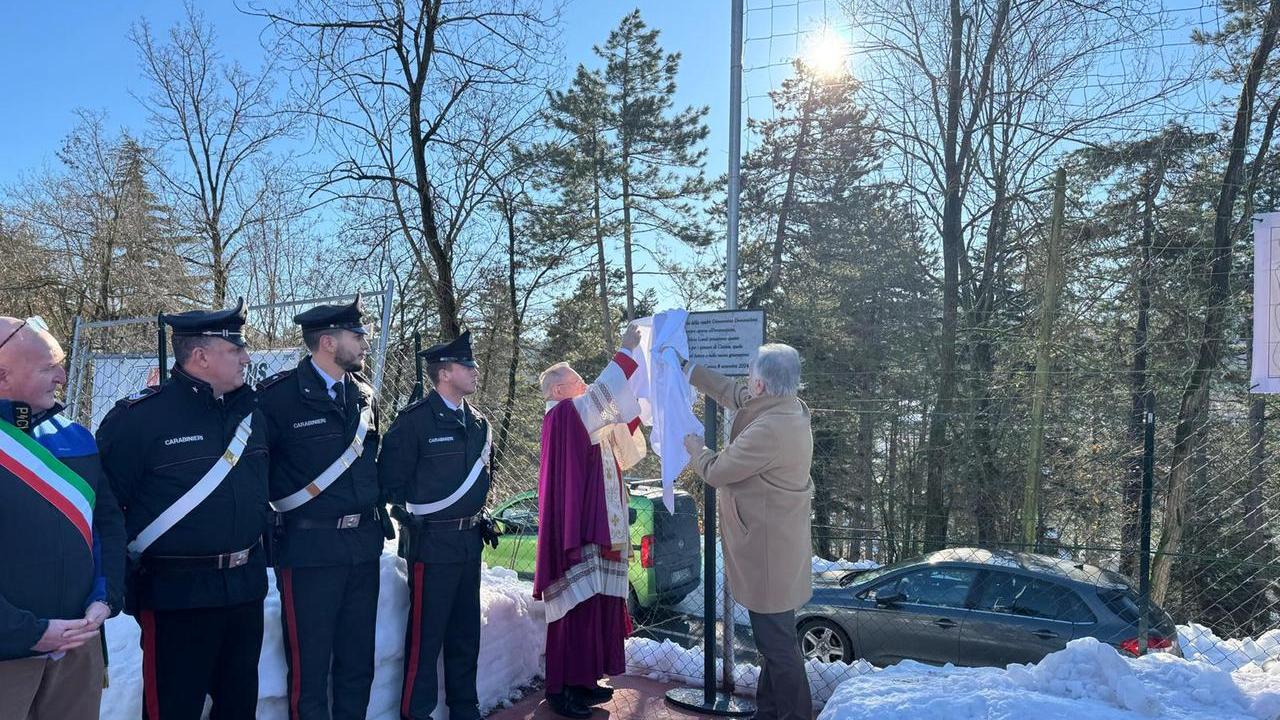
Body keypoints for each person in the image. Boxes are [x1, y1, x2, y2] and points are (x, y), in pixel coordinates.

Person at [97, 299, 270, 720]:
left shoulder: (253, 413)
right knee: (173, 708)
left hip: (244, 592)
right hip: (177, 597)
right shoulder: (139, 420)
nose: (247, 357)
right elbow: (106, 510)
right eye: (236, 349)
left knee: (238, 708)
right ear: (201, 356)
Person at [257, 295, 388, 720]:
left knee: (357, 663)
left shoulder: (364, 395)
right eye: (357, 336)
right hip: (310, 550)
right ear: (328, 343)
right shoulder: (277, 399)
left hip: (362, 548)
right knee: (310, 669)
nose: (365, 344)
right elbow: (259, 474)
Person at [0, 315, 125, 720]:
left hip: (78, 647)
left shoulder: (77, 438)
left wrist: (106, 597)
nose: (62, 375)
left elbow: (105, 524)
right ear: (3, 377)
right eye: (47, 366)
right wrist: (28, 633)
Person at [683, 343, 814, 720]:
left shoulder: (770, 429)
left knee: (779, 648)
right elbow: (732, 393)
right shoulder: (784, 409)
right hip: (778, 550)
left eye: (750, 377)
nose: (746, 384)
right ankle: (770, 712)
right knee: (773, 643)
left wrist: (696, 449)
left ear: (760, 383)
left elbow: (717, 471)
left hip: (769, 557)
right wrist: (689, 369)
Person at [380, 331, 497, 720]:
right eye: (468, 365)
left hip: (468, 543)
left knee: (466, 633)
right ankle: (417, 712)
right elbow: (390, 481)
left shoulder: (479, 423)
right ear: (445, 374)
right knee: (425, 638)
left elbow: (484, 478)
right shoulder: (414, 422)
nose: (476, 370)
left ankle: (466, 707)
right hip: (431, 543)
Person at [534, 324, 646, 719]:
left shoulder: (580, 416)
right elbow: (603, 395)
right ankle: (561, 688)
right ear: (557, 390)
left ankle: (583, 681)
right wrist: (627, 352)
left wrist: (638, 385)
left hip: (593, 528)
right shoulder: (563, 415)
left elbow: (622, 429)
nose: (583, 383)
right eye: (575, 379)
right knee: (572, 607)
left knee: (592, 603)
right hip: (575, 528)